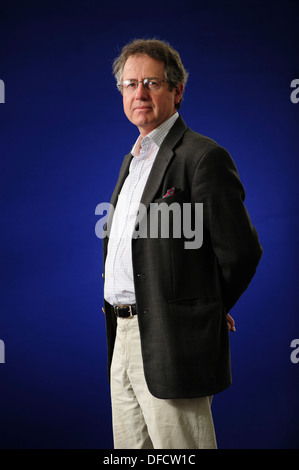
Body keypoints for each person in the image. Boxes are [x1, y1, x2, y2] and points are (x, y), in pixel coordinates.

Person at [102, 38, 262, 449]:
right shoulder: (132, 161)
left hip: (173, 339)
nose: (139, 93)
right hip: (120, 335)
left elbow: (241, 250)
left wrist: (207, 307)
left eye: (151, 83)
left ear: (177, 91)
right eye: (130, 84)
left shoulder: (202, 156)